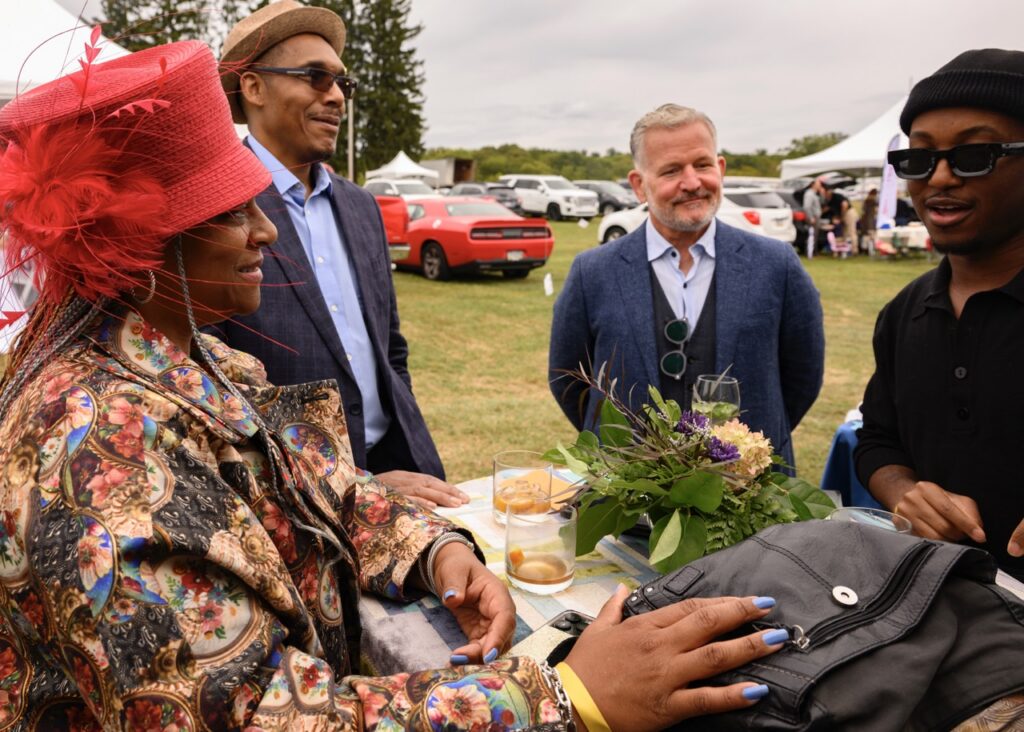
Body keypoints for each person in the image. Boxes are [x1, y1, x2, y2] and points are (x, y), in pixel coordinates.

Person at [0, 39, 789, 731]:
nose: (267, 231)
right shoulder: (100, 442)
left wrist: (434, 550)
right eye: (231, 211)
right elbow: (244, 714)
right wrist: (566, 695)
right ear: (142, 239)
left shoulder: (190, 357)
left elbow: (314, 483)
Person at [216, 1, 463, 510]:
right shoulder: (216, 210)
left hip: (404, 463)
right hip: (294, 497)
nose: (335, 97)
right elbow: (216, 392)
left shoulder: (361, 206)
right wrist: (347, 481)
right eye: (314, 77)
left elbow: (390, 348)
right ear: (254, 88)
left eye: (341, 84)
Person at [549, 104, 825, 471]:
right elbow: (568, 380)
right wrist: (618, 449)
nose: (692, 182)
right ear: (638, 185)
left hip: (753, 498)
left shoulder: (777, 264)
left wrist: (755, 438)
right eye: (671, 170)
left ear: (721, 169)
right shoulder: (593, 272)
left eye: (703, 164)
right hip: (626, 502)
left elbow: (803, 376)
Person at [855, 48, 1024, 581]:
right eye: (920, 159)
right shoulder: (904, 313)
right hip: (933, 608)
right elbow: (878, 440)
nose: (941, 178)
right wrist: (905, 493)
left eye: (976, 154)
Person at [801, 177, 824, 258]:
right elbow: (807, 207)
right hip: (813, 217)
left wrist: (822, 194)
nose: (820, 186)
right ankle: (810, 253)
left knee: (815, 235)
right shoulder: (809, 194)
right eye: (818, 184)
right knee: (812, 235)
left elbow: (822, 202)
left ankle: (814, 252)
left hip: (816, 217)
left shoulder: (815, 194)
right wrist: (810, 217)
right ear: (812, 184)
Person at [859, 187, 879, 255]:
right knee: (870, 236)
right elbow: (874, 212)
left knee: (866, 236)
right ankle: (870, 250)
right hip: (870, 222)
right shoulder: (872, 202)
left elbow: (863, 212)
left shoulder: (866, 201)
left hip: (865, 222)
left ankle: (865, 249)